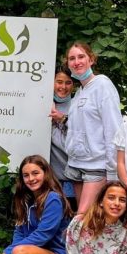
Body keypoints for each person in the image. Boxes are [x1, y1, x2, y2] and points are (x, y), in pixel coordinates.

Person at [63, 42, 121, 215]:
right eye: (72, 58)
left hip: (97, 165)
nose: (77, 62)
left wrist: (112, 172)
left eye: (81, 57)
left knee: (80, 219)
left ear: (91, 59)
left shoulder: (102, 85)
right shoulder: (79, 91)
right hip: (75, 164)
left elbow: (114, 129)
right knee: (88, 221)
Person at [48, 65, 78, 210]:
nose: (63, 87)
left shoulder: (77, 106)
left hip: (72, 178)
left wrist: (64, 119)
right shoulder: (43, 103)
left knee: (69, 218)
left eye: (68, 82)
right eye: (59, 82)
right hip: (50, 177)